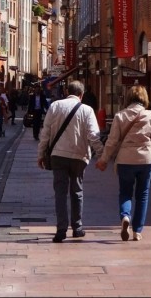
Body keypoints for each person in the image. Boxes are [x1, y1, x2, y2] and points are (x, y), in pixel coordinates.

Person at [37, 80, 104, 243]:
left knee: (60, 192)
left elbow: (45, 132)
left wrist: (40, 154)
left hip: (58, 155)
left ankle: (61, 229)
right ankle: (77, 227)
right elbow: (94, 135)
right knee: (77, 191)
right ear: (81, 95)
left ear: (67, 92)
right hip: (79, 156)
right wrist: (102, 155)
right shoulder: (87, 110)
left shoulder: (55, 106)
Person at [96, 84, 151, 242]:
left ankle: (125, 216)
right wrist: (149, 150)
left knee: (125, 192)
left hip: (125, 159)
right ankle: (137, 230)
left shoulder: (120, 116)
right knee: (143, 195)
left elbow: (111, 142)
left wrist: (103, 160)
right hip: (146, 160)